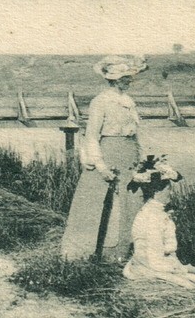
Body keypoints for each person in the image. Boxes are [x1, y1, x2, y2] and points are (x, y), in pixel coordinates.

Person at [60, 55, 148, 262]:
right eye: (125, 78)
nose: (129, 81)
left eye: (129, 78)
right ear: (114, 80)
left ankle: (122, 252)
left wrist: (142, 156)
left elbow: (136, 133)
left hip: (129, 155)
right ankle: (94, 251)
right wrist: (100, 165)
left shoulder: (128, 101)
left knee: (130, 200)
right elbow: (91, 135)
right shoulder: (101, 101)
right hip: (109, 154)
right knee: (102, 200)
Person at [122, 156, 195, 295]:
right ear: (157, 192)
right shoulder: (153, 217)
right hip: (151, 269)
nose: (171, 193)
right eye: (168, 189)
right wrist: (184, 269)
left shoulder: (152, 211)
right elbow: (155, 261)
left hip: (151, 264)